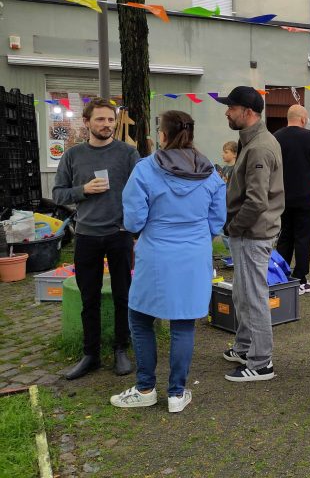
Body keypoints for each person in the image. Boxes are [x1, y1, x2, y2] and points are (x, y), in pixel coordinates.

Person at [111, 111, 226, 412]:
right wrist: (198, 234)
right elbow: (218, 219)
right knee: (183, 322)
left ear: (162, 135)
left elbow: (134, 220)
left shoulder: (145, 169)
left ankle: (145, 387)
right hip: (194, 254)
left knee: (139, 318)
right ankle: (177, 393)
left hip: (156, 254)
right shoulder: (210, 172)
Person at [52, 99, 140, 380]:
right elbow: (58, 195)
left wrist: (136, 229)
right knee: (89, 298)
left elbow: (142, 192)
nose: (107, 125)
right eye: (100, 120)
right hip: (87, 235)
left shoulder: (128, 154)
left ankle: (121, 350)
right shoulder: (73, 156)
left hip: (120, 234)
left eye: (111, 120)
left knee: (122, 295)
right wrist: (83, 190)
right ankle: (90, 355)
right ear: (87, 122)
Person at [216, 86, 285, 382]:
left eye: (231, 107)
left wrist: (234, 227)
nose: (226, 112)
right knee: (244, 293)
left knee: (253, 296)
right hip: (249, 232)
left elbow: (257, 200)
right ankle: (245, 347)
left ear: (248, 112)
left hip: (253, 233)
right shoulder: (252, 140)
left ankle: (261, 362)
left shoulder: (258, 146)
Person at [274, 104, 310, 294]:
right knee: (303, 238)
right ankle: (300, 279)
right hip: (305, 197)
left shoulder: (276, 137)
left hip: (283, 196)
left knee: (285, 236)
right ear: (303, 119)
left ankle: (280, 275)